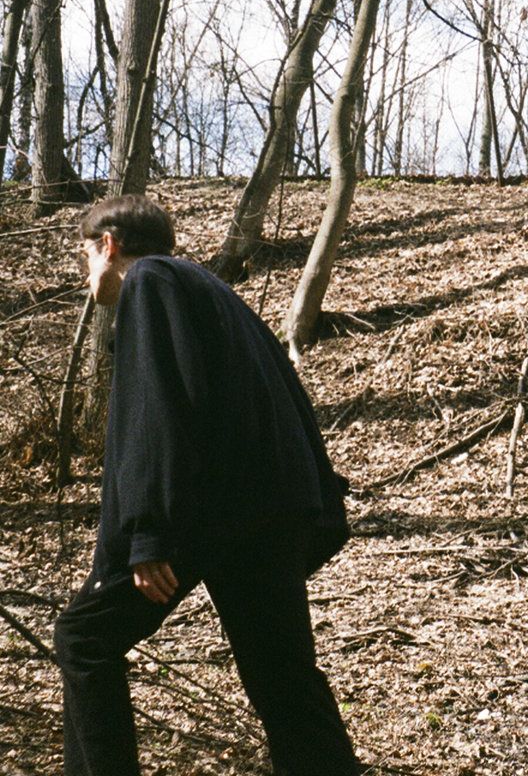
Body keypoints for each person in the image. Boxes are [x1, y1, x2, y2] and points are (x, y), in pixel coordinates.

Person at [54, 194, 360, 776]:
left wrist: (147, 531)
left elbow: (159, 408)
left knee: (83, 639)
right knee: (283, 676)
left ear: (108, 245)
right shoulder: (212, 291)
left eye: (85, 258)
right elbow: (285, 398)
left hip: (207, 511)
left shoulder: (149, 282)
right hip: (267, 513)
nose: (85, 276)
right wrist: (317, 506)